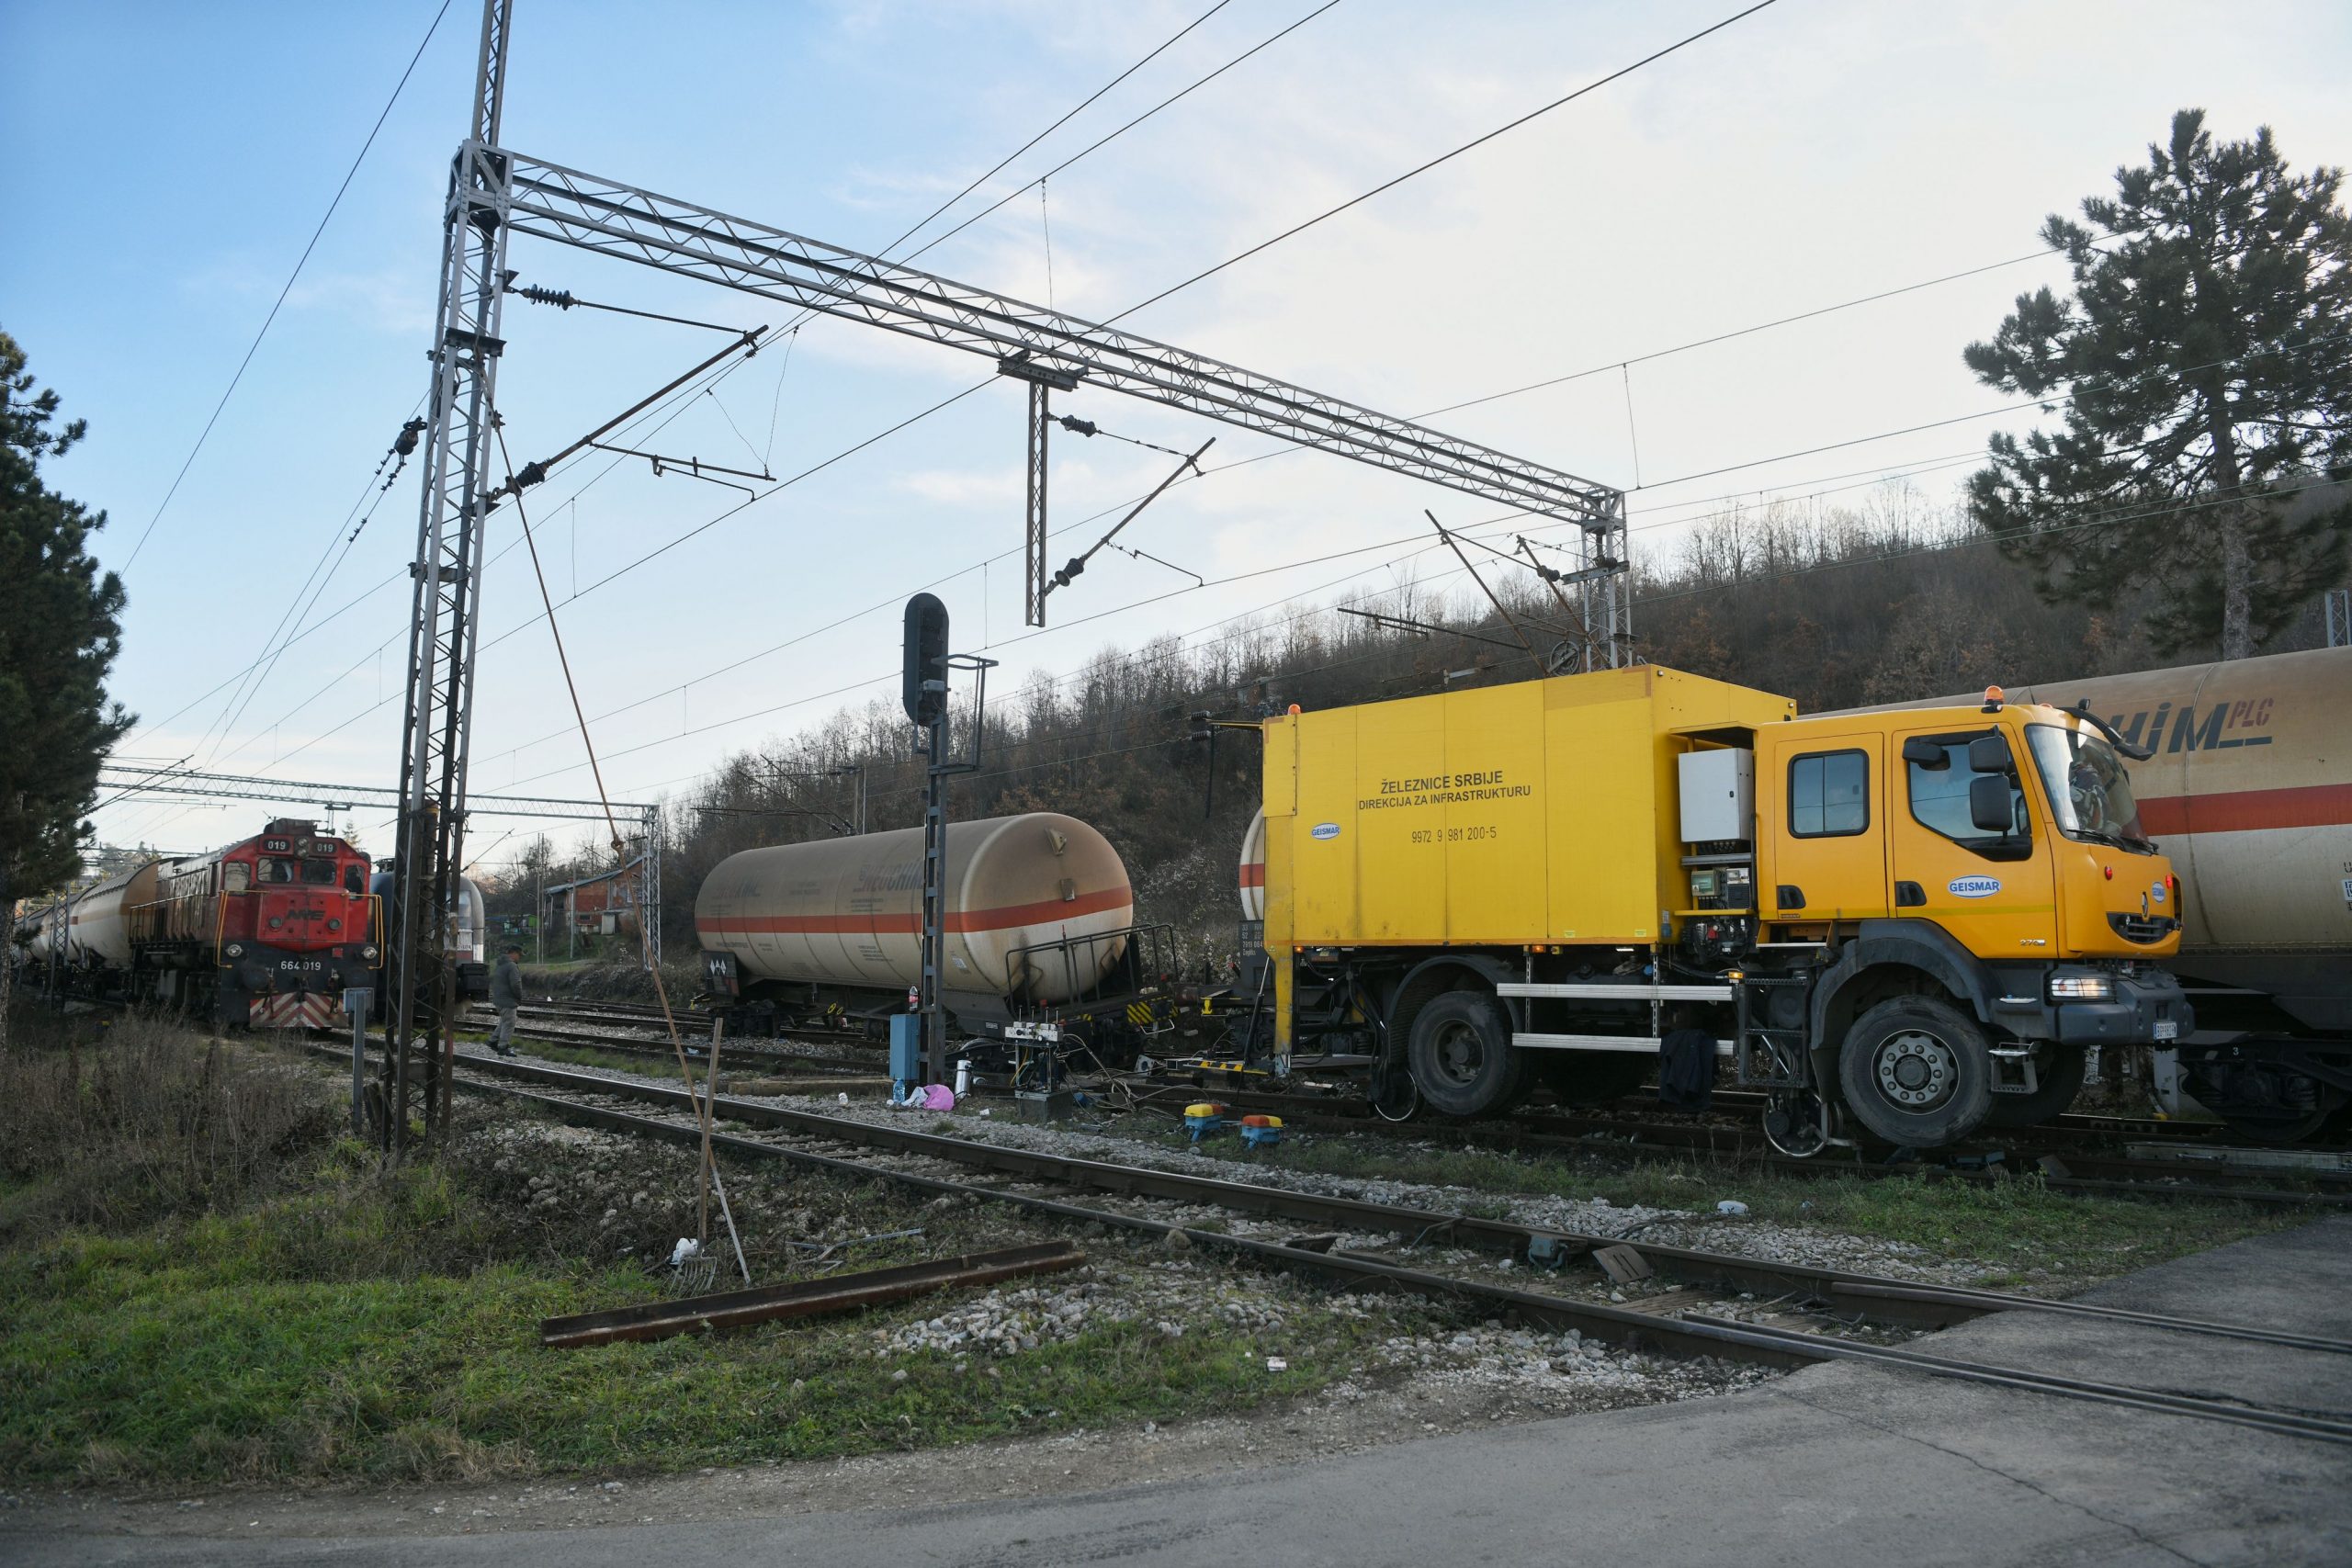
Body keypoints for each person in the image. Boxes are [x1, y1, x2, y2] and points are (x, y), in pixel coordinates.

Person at [489, 942, 526, 1057]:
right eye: (519, 955)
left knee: (505, 1020)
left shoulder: (500, 964)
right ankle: (503, 1047)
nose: (519, 958)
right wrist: (519, 997)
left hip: (499, 998)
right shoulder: (511, 966)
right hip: (508, 999)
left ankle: (493, 1040)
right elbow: (516, 984)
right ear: (514, 953)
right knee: (510, 1022)